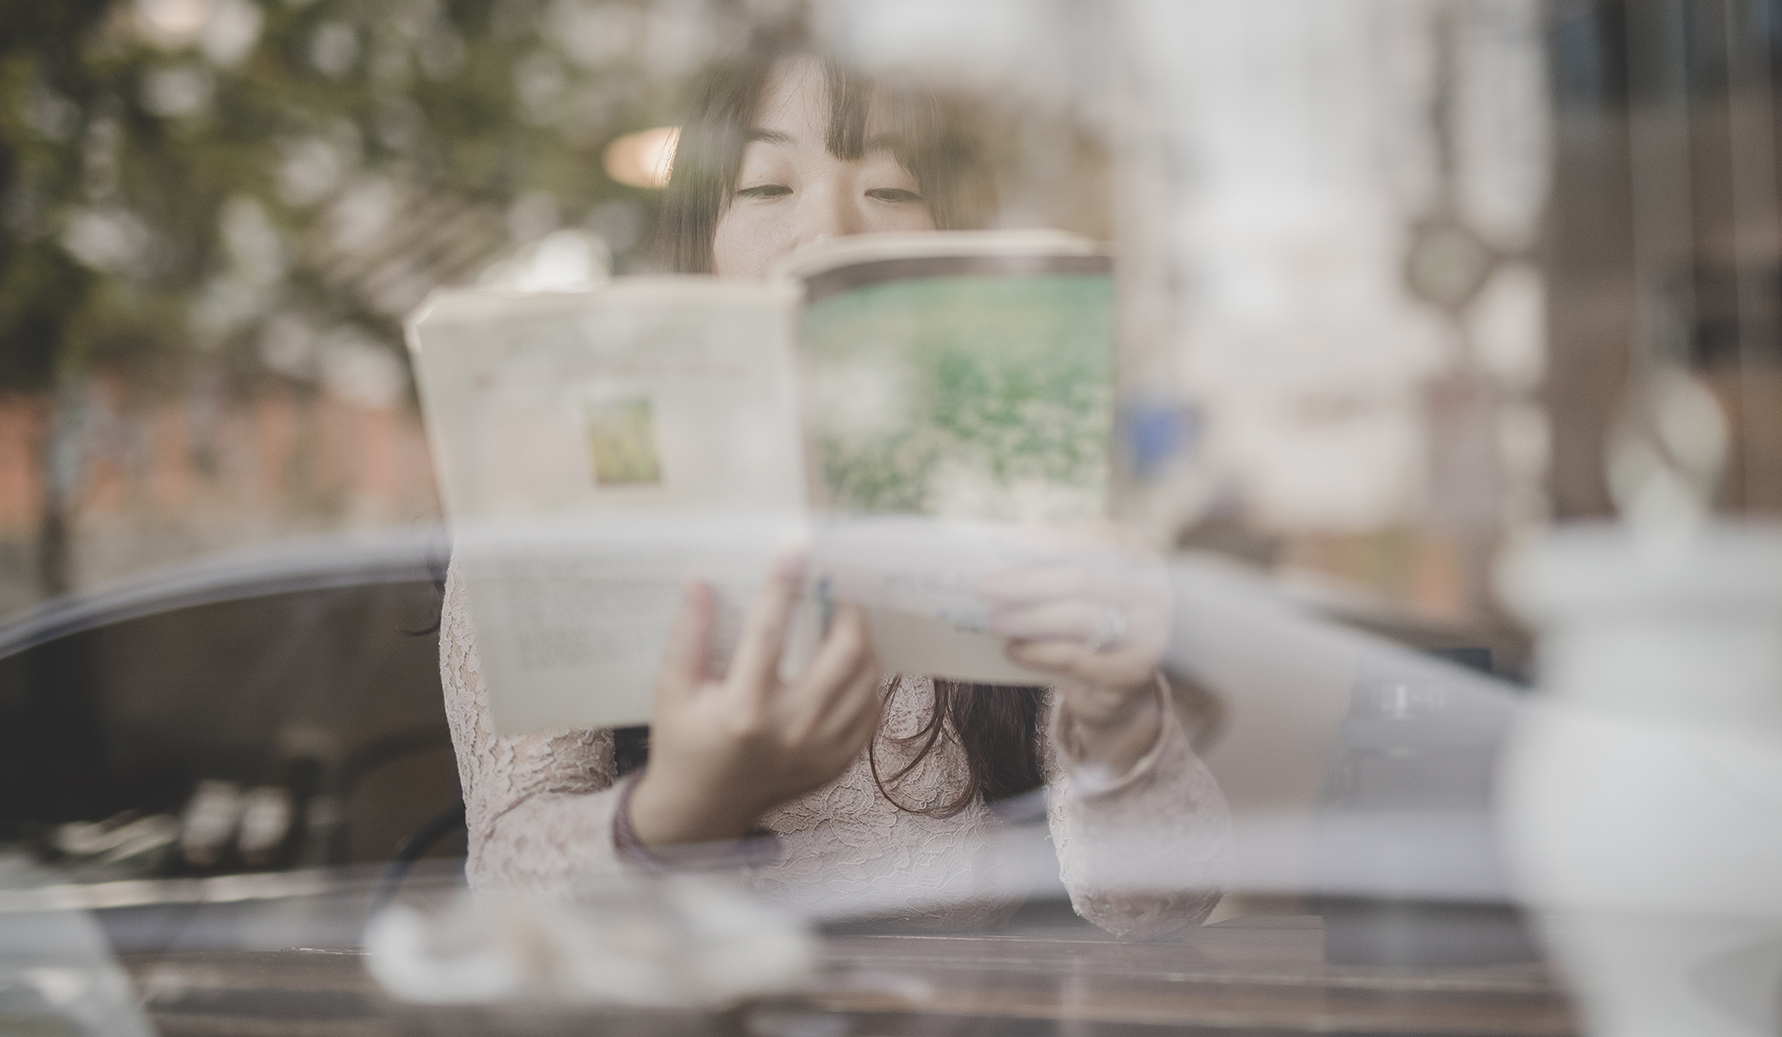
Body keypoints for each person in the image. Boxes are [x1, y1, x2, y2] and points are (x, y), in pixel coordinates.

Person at [441, 49, 1229, 937]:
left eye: (891, 190)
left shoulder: (1010, 499)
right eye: (767, 187)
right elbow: (510, 889)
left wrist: (1115, 708)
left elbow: (1160, 908)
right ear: (698, 247)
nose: (832, 228)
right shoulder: (563, 503)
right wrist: (678, 806)